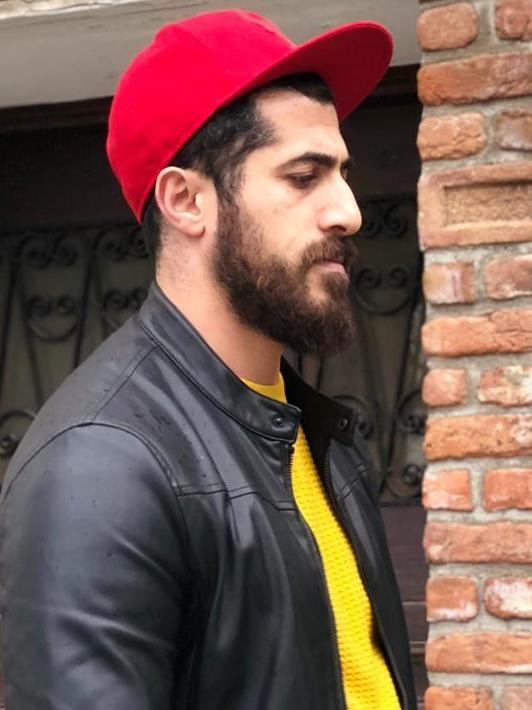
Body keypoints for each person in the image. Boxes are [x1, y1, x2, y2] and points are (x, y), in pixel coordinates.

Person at [0, 9, 416, 710]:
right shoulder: (101, 462)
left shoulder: (318, 434)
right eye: (304, 176)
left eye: (342, 174)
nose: (348, 211)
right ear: (186, 200)